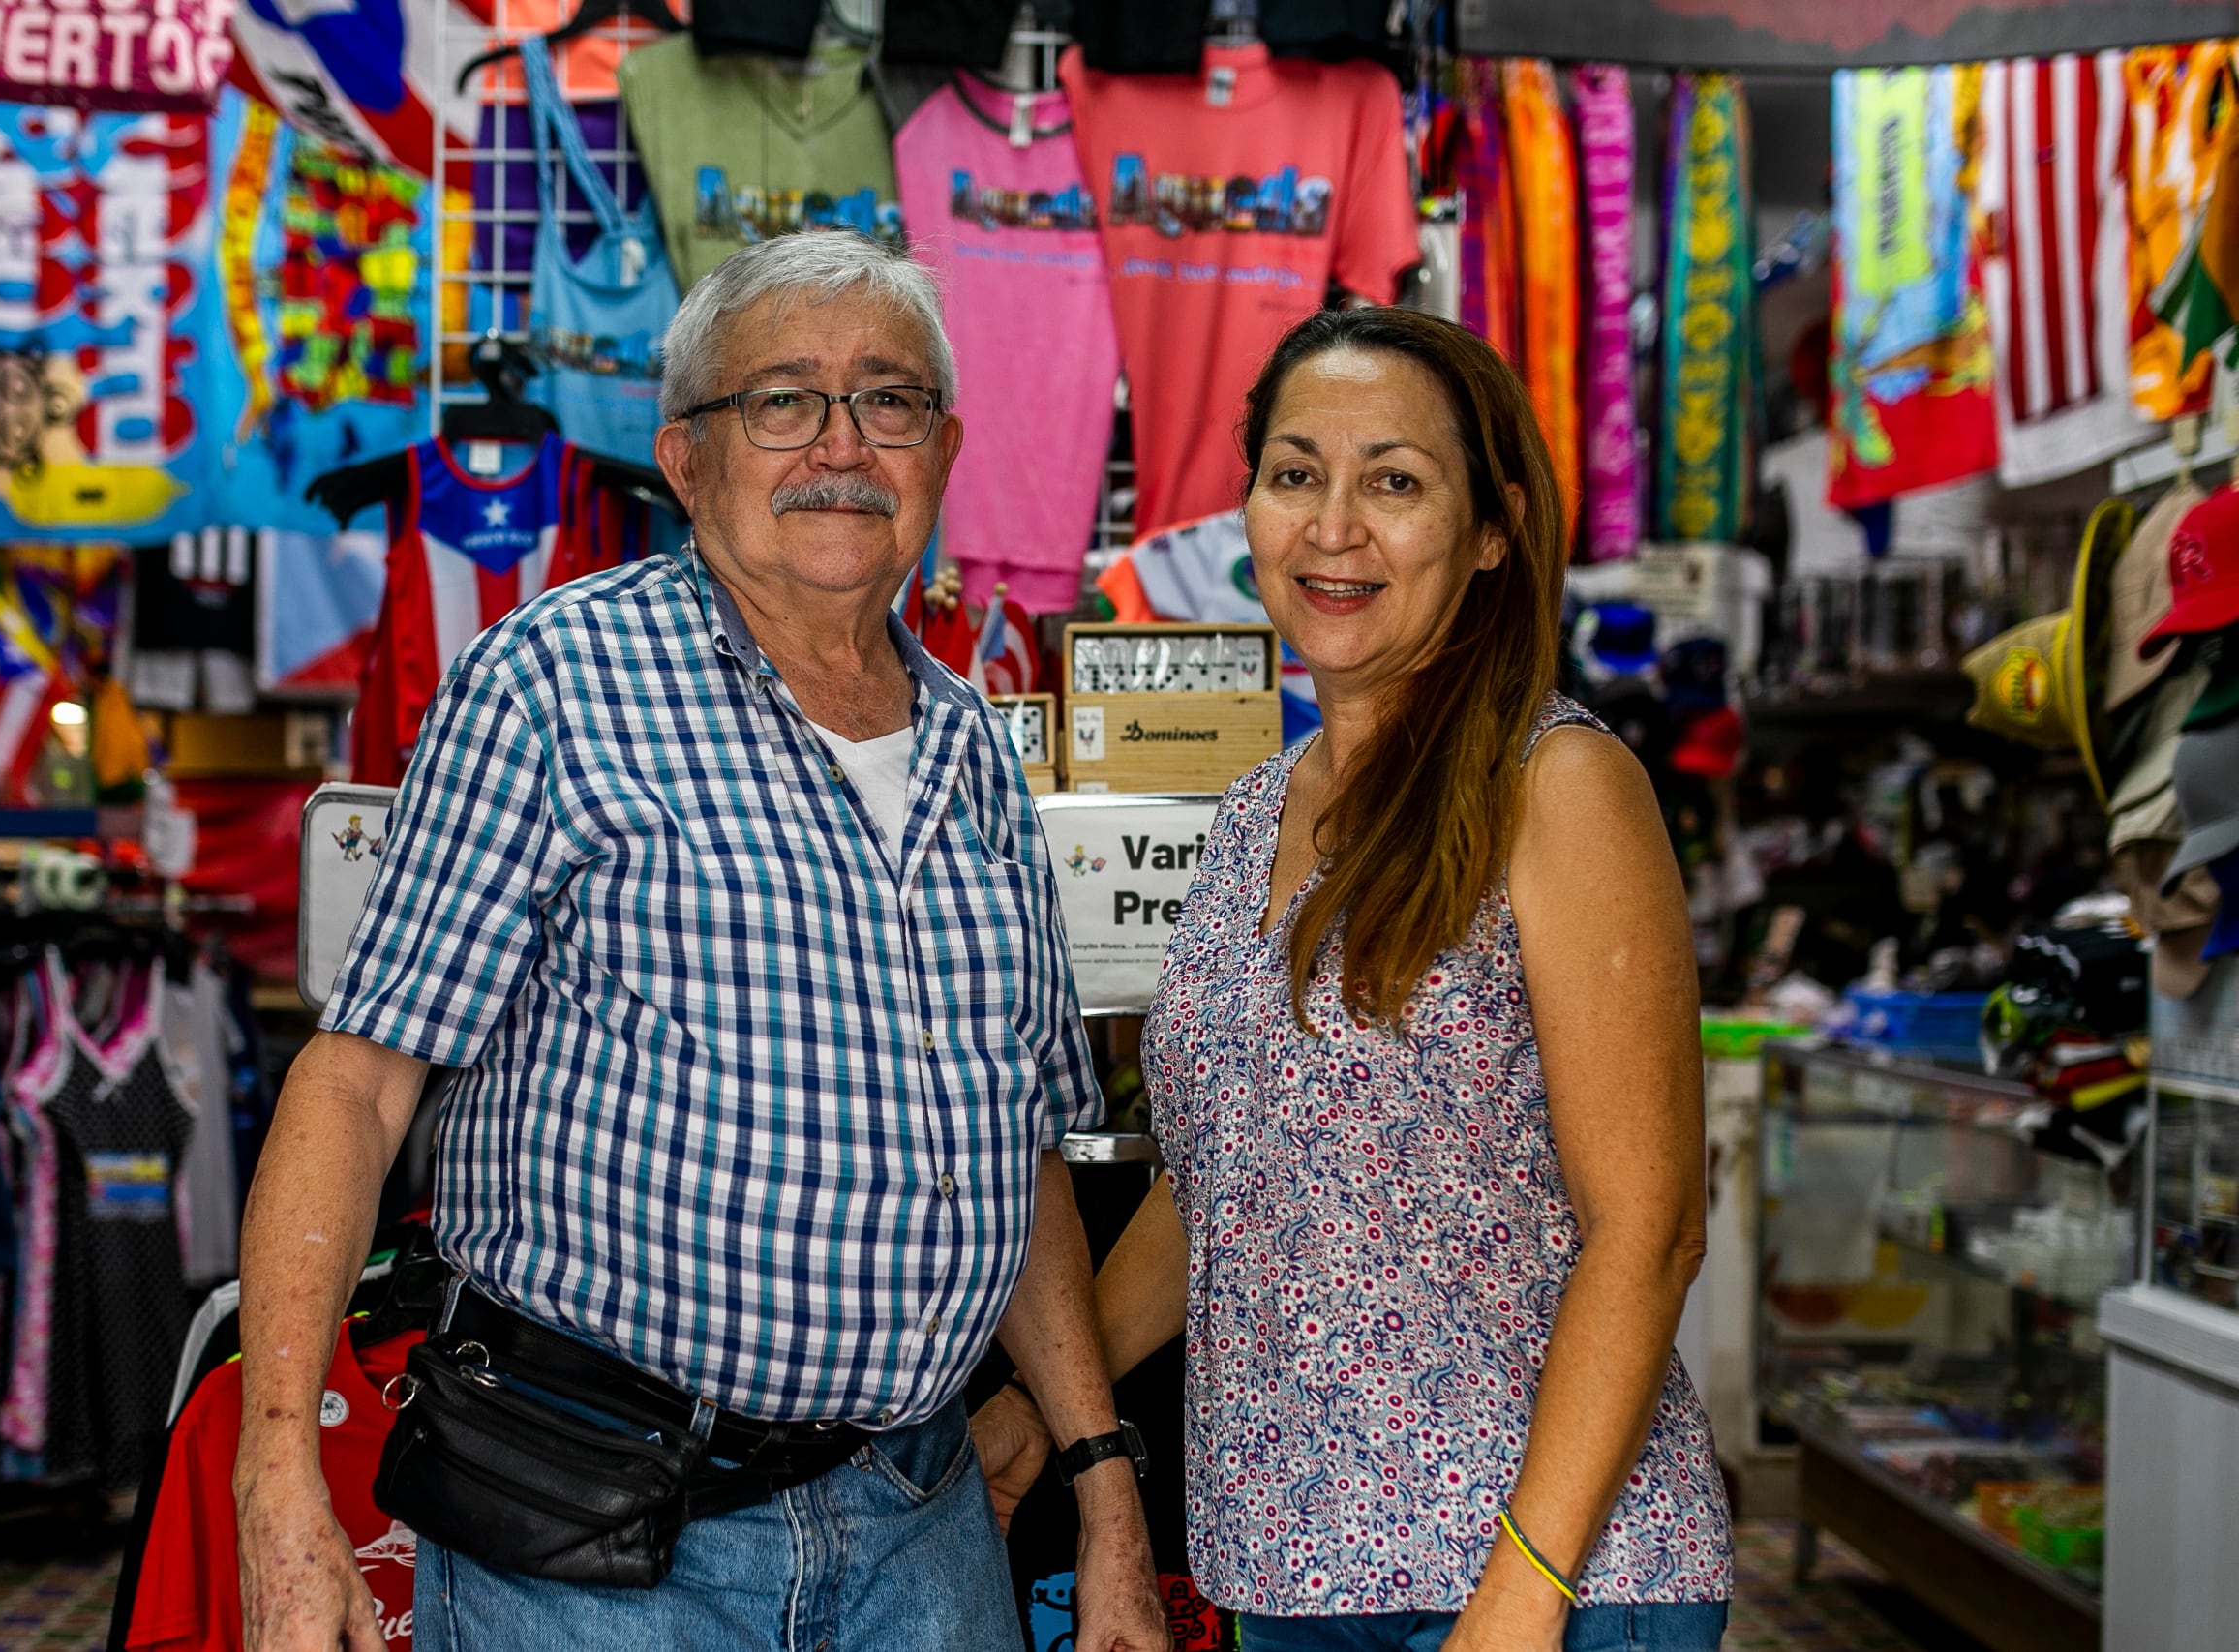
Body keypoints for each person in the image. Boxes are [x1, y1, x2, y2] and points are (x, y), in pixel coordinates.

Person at [235, 231, 1166, 1652]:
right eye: (782, 400)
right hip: (598, 1540)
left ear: (946, 446)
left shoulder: (976, 749)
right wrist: (274, 1477)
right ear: (683, 458)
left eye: (890, 400)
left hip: (920, 1527)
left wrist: (1104, 1495)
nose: (840, 445)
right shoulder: (554, 683)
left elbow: (1018, 1150)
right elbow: (357, 1088)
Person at [972, 307, 1733, 1650]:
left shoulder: (1555, 789)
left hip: (1535, 1581)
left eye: (1394, 480)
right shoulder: (1254, 815)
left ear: (1493, 529)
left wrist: (1524, 1592)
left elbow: (1652, 1228)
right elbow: (1209, 1192)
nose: (1334, 526)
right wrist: (1054, 1404)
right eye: (1294, 473)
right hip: (1289, 1574)